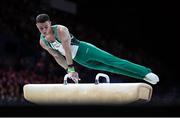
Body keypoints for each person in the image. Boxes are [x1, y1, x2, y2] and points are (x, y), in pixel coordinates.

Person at [35, 13, 159, 85]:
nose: (44, 30)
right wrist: (69, 70)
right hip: (79, 60)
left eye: (46, 26)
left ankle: (145, 72)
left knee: (113, 61)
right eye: (41, 28)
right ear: (37, 27)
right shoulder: (43, 42)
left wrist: (71, 68)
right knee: (110, 68)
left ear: (50, 23)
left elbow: (67, 50)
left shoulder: (61, 30)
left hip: (85, 50)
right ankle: (142, 77)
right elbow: (57, 56)